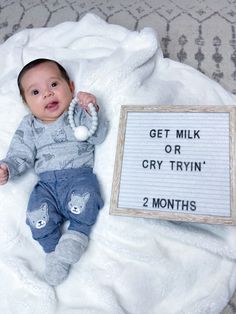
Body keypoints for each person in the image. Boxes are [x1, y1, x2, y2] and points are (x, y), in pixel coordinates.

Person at [0, 58, 109, 286]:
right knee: (36, 215)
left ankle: (77, 235)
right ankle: (53, 254)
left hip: (79, 175)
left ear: (70, 87)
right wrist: (7, 168)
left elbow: (99, 136)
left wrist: (92, 109)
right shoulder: (29, 126)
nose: (47, 94)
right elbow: (20, 155)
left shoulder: (77, 112)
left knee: (88, 197)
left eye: (53, 85)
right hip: (47, 185)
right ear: (27, 102)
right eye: (36, 92)